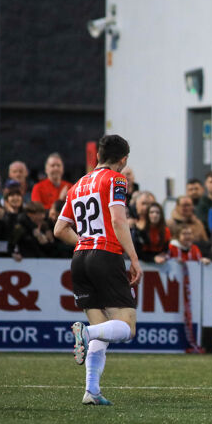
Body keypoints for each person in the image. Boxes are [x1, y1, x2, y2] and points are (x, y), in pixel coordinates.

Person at [53, 134, 143, 406]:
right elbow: (117, 218)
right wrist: (134, 258)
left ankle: (91, 390)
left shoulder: (78, 185)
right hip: (105, 254)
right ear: (123, 159)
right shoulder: (116, 179)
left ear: (97, 157)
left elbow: (59, 230)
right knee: (126, 328)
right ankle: (85, 333)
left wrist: (85, 242)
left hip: (80, 258)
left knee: (103, 328)